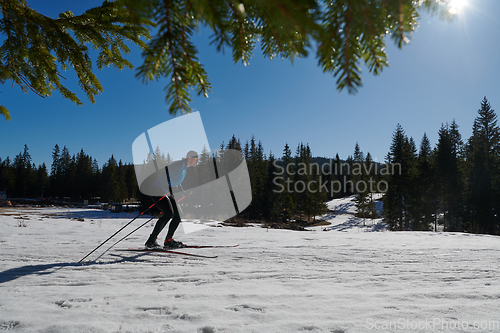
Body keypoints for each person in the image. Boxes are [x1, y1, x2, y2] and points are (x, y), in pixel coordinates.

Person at [144, 150, 199, 249]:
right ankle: (151, 241)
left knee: (178, 215)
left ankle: (168, 240)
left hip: (166, 192)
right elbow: (166, 173)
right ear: (190, 158)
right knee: (169, 213)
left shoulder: (184, 168)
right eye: (196, 159)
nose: (197, 161)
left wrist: (183, 192)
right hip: (158, 190)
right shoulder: (179, 164)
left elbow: (176, 182)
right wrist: (166, 186)